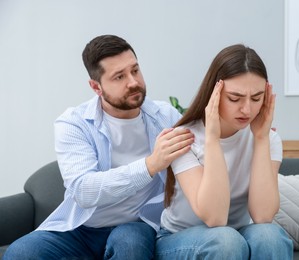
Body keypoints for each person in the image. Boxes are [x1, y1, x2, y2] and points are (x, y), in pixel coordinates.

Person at [4, 35, 194, 259]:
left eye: (135, 70)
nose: (133, 82)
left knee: (130, 244)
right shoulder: (74, 123)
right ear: (96, 87)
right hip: (83, 228)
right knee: (22, 252)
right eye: (119, 77)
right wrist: (150, 165)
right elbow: (85, 191)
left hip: (137, 224)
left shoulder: (166, 116)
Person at [155, 44, 293, 259]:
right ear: (214, 94)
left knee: (270, 236)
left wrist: (261, 138)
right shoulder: (184, 138)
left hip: (235, 234)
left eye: (256, 98)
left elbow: (263, 215)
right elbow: (215, 218)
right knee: (225, 240)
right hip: (179, 238)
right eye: (235, 98)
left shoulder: (268, 138)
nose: (247, 109)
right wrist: (212, 138)